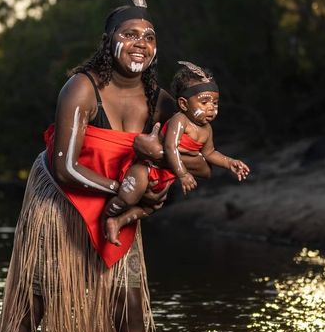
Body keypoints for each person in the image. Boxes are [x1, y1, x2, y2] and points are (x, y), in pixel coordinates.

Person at [0, 0, 211, 332]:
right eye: (129, 34)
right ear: (109, 42)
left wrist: (162, 158)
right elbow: (65, 166)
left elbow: (200, 161)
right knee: (34, 300)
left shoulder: (160, 102)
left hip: (117, 203)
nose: (140, 43)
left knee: (129, 306)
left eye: (149, 36)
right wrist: (127, 191)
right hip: (59, 200)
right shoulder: (81, 88)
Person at [104, 60, 250, 245]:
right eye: (204, 102)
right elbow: (170, 147)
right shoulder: (180, 121)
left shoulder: (207, 130)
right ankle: (104, 216)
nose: (211, 107)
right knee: (127, 198)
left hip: (165, 175)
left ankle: (117, 222)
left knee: (151, 208)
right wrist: (183, 173)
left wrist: (230, 162)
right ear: (183, 104)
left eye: (215, 102)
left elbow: (210, 152)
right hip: (147, 168)